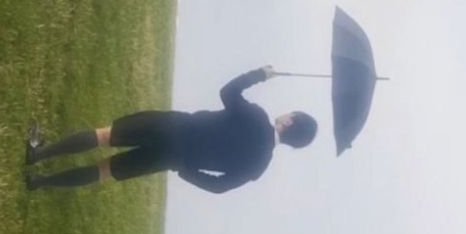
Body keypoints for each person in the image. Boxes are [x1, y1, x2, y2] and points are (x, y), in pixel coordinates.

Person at [24, 65, 316, 193]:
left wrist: (260, 75)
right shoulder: (259, 166)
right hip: (172, 159)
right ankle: (40, 182)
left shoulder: (256, 117)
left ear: (289, 122)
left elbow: (227, 91)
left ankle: (38, 154)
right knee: (105, 171)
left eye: (291, 114)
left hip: (174, 126)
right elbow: (219, 186)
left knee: (105, 136)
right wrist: (186, 169)